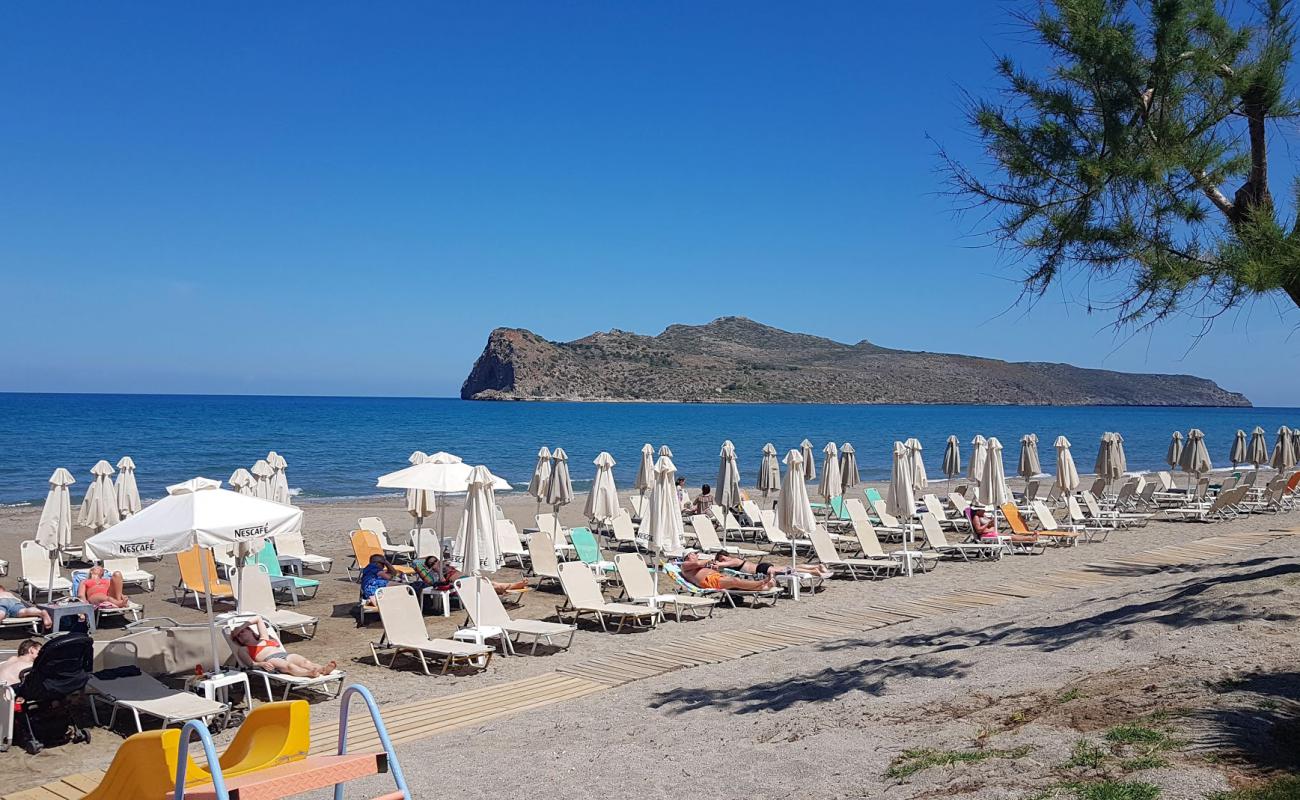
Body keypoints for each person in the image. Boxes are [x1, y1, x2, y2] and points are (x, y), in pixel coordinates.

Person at [230, 616, 336, 678]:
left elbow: (258, 618)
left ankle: (323, 670)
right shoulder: (243, 649)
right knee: (290, 666)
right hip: (271, 660)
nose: (241, 634)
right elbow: (251, 664)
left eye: (243, 631)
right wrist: (261, 663)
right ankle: (309, 673)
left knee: (305, 662)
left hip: (285, 654)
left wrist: (241, 626)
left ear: (250, 630)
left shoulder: (264, 638)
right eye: (238, 635)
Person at [413, 556, 527, 596]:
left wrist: (447, 564)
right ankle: (509, 586)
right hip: (461, 583)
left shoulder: (448, 564)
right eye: (432, 564)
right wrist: (438, 571)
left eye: (435, 561)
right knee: (489, 585)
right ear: (430, 567)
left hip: (467, 577)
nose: (435, 563)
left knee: (488, 583)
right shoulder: (436, 574)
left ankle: (509, 586)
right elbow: (442, 584)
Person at [679, 551, 774, 591]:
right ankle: (762, 582)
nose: (697, 555)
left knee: (735, 583)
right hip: (708, 580)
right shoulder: (685, 565)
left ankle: (762, 587)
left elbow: (700, 566)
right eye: (695, 554)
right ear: (689, 556)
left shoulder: (692, 566)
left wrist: (712, 567)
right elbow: (699, 564)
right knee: (735, 581)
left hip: (715, 577)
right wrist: (710, 560)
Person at [710, 552, 830, 579]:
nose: (723, 560)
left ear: (726, 556)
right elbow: (722, 567)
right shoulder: (733, 562)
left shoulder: (734, 560)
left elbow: (723, 564)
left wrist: (717, 563)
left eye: (723, 557)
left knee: (788, 570)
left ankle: (815, 571)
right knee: (789, 567)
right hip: (762, 567)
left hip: (761, 569)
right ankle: (816, 567)